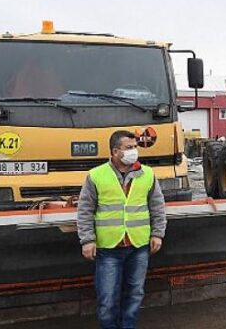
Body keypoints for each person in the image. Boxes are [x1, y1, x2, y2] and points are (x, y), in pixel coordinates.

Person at [77, 130, 167, 328]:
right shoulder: (96, 176)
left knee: (135, 295)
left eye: (135, 147)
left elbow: (157, 207)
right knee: (108, 299)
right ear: (115, 151)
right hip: (109, 248)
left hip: (139, 246)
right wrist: (87, 240)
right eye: (129, 148)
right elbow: (85, 210)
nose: (134, 151)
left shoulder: (148, 174)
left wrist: (157, 234)